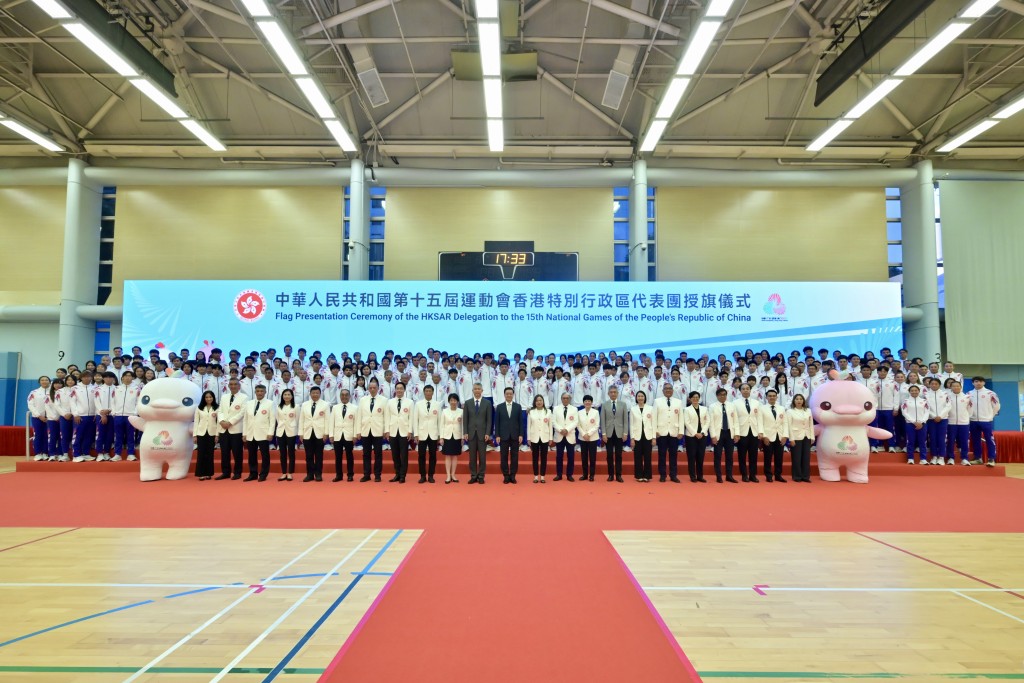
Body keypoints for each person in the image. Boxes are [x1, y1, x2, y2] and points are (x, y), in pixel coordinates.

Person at [732, 383, 763, 482]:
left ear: (750, 390)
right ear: (740, 391)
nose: (745, 390)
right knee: (742, 456)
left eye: (747, 389)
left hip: (754, 432)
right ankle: (744, 475)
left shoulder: (756, 403)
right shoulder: (735, 403)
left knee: (753, 456)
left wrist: (760, 431)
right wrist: (736, 433)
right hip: (742, 432)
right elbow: (734, 419)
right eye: (743, 389)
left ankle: (753, 475)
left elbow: (760, 418)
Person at [243, 384, 275, 481]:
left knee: (265, 455)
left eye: (262, 391)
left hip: (264, 433)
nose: (260, 393)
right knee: (251, 455)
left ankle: (263, 474)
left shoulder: (270, 403)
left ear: (265, 392)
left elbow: (272, 420)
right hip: (250, 433)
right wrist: (244, 433)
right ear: (255, 392)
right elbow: (245, 419)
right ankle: (253, 473)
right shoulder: (249, 403)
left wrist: (270, 433)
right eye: (258, 391)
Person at [357, 378, 386, 482]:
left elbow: (385, 417)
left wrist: (385, 430)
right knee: (366, 454)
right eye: (370, 388)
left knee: (378, 453)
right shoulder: (363, 400)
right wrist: (358, 431)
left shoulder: (384, 400)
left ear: (378, 388)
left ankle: (377, 475)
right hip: (365, 430)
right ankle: (366, 474)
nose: (372, 389)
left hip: (378, 430)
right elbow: (359, 415)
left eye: (374, 388)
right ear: (368, 389)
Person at [653, 383, 684, 483]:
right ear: (662, 391)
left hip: (674, 432)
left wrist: (681, 431)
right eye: (666, 389)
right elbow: (654, 417)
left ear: (673, 390)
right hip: (661, 432)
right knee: (661, 454)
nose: (668, 390)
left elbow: (681, 418)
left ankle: (673, 475)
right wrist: (655, 431)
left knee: (673, 455)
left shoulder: (678, 402)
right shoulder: (657, 401)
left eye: (670, 388)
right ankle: (662, 475)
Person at [708, 387, 739, 483]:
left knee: (729, 456)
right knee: (717, 456)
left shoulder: (731, 405)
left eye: (724, 394)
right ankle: (719, 476)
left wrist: (737, 434)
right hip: (718, 433)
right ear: (717, 396)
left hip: (729, 433)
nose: (723, 396)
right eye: (720, 395)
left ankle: (729, 475)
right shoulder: (712, 406)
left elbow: (736, 420)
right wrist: (713, 436)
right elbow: (711, 422)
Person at [216, 378, 246, 479]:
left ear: (239, 386)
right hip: (223, 428)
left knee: (237, 453)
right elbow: (220, 410)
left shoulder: (244, 397)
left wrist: (230, 422)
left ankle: (237, 472)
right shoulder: (224, 397)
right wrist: (221, 421)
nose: (233, 386)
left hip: (236, 429)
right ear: (228, 386)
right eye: (231, 384)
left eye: (235, 384)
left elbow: (242, 413)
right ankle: (225, 472)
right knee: (224, 452)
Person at [463, 383, 492, 484]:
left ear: (482, 390)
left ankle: (481, 475)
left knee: (482, 456)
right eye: (475, 389)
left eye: (479, 389)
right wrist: (465, 432)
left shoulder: (487, 403)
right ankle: (473, 475)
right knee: (472, 457)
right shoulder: (468, 403)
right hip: (471, 433)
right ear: (472, 391)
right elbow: (465, 419)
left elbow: (489, 420)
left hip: (482, 433)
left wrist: (488, 433)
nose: (477, 390)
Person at [967, 376, 1000, 467]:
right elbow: (967, 407)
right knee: (975, 440)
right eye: (976, 381)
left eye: (981, 381)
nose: (978, 383)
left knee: (989, 439)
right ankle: (978, 458)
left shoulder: (990, 393)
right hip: (973, 420)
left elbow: (997, 406)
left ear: (984, 383)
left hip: (986, 420)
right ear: (973, 383)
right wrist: (969, 417)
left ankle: (991, 459)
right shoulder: (969, 394)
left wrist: (990, 417)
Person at [384, 382, 413, 483]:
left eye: (401, 388)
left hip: (404, 431)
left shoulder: (409, 402)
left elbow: (411, 418)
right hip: (392, 431)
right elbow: (387, 417)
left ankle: (402, 475)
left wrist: (410, 431)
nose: (399, 390)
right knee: (395, 454)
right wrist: (387, 431)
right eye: (397, 388)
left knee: (404, 455)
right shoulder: (390, 402)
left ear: (404, 390)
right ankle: (397, 473)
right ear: (395, 390)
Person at [412, 385, 441, 483]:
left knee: (433, 455)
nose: (428, 393)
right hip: (421, 433)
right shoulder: (418, 404)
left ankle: (431, 475)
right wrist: (416, 434)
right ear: (424, 392)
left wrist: (440, 435)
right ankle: (423, 476)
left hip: (433, 433)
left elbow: (439, 420)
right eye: (426, 391)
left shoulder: (437, 404)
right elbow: (415, 420)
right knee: (421, 456)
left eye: (430, 391)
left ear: (433, 392)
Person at [299, 386, 328, 482]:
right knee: (309, 456)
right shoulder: (304, 405)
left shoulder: (325, 405)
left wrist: (326, 433)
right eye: (313, 393)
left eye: (317, 393)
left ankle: (318, 474)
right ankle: (310, 474)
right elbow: (301, 420)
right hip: (307, 432)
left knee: (319, 455)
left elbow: (327, 420)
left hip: (320, 433)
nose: (315, 395)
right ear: (310, 394)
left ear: (320, 394)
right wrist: (301, 433)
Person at [495, 386, 523, 484]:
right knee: (504, 456)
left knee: (515, 457)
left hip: (515, 435)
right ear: (504, 395)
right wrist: (497, 435)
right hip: (503, 435)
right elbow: (497, 422)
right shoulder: (499, 407)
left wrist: (521, 434)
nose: (509, 395)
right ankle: (506, 475)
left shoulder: (518, 406)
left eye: (511, 394)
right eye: (507, 394)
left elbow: (521, 422)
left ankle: (513, 475)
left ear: (513, 395)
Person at [600, 385, 627, 483]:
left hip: (620, 433)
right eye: (611, 392)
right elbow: (602, 420)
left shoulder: (623, 404)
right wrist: (603, 434)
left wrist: (625, 433)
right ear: (608, 393)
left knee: (619, 455)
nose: (613, 394)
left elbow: (625, 420)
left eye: (615, 392)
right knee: (609, 455)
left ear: (617, 393)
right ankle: (611, 475)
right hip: (608, 433)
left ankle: (619, 475)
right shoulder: (604, 404)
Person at [329, 388, 357, 482]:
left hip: (349, 435)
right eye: (342, 395)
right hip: (337, 435)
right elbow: (331, 422)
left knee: (349, 456)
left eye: (346, 395)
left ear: (349, 396)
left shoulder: (354, 408)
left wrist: (355, 435)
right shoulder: (335, 407)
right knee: (338, 457)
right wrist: (331, 435)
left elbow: (356, 423)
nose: (344, 397)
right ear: (340, 396)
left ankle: (350, 475)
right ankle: (339, 475)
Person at [111, 370, 140, 462]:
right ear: (122, 378)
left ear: (132, 378)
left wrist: (135, 413)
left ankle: (131, 454)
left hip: (131, 416)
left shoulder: (136, 389)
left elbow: (138, 402)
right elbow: (112, 401)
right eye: (126, 376)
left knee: (130, 435)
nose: (127, 377)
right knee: (118, 436)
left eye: (129, 376)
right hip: (118, 415)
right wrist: (114, 412)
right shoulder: (116, 388)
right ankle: (117, 454)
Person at [761, 390, 788, 482]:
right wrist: (764, 436)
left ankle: (778, 475)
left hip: (780, 436)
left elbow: (785, 423)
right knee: (767, 457)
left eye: (774, 396)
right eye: (770, 396)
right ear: (766, 397)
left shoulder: (781, 408)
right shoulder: (762, 408)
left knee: (779, 457)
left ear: (776, 397)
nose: (772, 397)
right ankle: (768, 475)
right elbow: (760, 423)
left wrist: (785, 436)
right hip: (768, 436)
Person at [682, 390, 709, 483]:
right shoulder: (686, 409)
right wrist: (695, 433)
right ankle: (692, 476)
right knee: (691, 456)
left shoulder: (704, 409)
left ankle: (700, 476)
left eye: (697, 397)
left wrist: (702, 432)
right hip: (691, 436)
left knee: (700, 456)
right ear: (690, 399)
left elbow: (707, 421)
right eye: (693, 397)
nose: (695, 399)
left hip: (702, 435)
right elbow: (686, 422)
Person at [193, 390, 220, 480]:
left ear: (213, 398)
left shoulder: (217, 408)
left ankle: (209, 473)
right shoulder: (199, 408)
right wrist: (194, 435)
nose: (208, 399)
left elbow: (219, 422)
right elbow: (196, 422)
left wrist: (217, 435)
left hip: (212, 433)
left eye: (210, 397)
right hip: (201, 433)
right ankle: (200, 473)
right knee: (201, 454)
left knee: (210, 454)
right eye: (207, 397)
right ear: (204, 398)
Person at [551, 392, 578, 481]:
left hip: (570, 435)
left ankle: (569, 475)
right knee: (559, 456)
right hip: (559, 435)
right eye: (564, 398)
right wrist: (560, 430)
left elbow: (575, 422)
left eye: (567, 398)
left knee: (571, 456)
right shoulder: (556, 409)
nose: (565, 400)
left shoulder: (574, 409)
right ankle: (559, 474)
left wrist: (567, 430)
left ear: (570, 399)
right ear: (561, 399)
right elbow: (553, 421)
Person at [70, 371, 97, 462]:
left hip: (92, 416)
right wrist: (76, 414)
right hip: (80, 416)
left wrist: (96, 413)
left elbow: (98, 402)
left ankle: (86, 453)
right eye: (84, 377)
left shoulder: (95, 388)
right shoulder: (75, 388)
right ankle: (76, 454)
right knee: (78, 435)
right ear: (81, 378)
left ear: (91, 378)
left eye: (89, 377)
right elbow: (72, 402)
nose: (87, 378)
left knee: (89, 435)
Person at [786, 393, 813, 482]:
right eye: (797, 399)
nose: (799, 401)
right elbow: (789, 426)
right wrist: (791, 438)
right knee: (796, 458)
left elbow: (811, 424)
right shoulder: (790, 411)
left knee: (806, 458)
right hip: (796, 436)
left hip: (807, 435)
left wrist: (812, 436)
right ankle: (797, 476)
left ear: (803, 401)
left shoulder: (808, 410)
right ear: (794, 401)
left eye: (801, 399)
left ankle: (805, 477)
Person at [924, 377, 951, 465]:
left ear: (939, 385)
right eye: (932, 384)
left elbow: (948, 406)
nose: (934, 385)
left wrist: (940, 416)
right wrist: (933, 416)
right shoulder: (926, 395)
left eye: (936, 384)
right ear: (929, 385)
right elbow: (925, 407)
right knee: (932, 438)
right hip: (931, 419)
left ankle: (941, 457)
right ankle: (934, 456)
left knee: (942, 438)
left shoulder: (945, 394)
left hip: (943, 419)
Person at [902, 384, 930, 465]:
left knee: (922, 442)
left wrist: (921, 422)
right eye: (912, 391)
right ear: (909, 392)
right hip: (910, 424)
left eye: (916, 390)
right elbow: (904, 412)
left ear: (919, 391)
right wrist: (914, 422)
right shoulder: (905, 401)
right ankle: (910, 458)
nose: (914, 392)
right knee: (910, 441)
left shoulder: (924, 401)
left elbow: (927, 412)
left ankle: (923, 459)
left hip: (922, 424)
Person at [630, 390, 655, 482]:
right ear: (636, 398)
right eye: (639, 396)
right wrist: (632, 438)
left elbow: (653, 423)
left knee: (648, 457)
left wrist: (653, 437)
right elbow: (631, 425)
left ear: (645, 398)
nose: (640, 398)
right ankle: (639, 475)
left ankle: (647, 476)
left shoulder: (650, 408)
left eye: (642, 396)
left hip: (648, 436)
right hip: (637, 436)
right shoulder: (633, 409)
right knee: (637, 457)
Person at [527, 394, 553, 483]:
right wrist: (529, 438)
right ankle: (535, 476)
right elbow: (528, 426)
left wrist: (550, 438)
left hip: (545, 437)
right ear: (535, 402)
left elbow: (550, 426)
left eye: (540, 400)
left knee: (544, 457)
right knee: (535, 457)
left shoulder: (548, 412)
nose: (539, 402)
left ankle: (542, 476)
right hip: (534, 437)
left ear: (543, 402)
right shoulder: (531, 412)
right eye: (537, 400)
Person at [947, 381, 972, 466]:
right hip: (951, 422)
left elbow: (970, 409)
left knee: (964, 441)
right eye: (954, 386)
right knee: (950, 441)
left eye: (958, 386)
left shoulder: (967, 397)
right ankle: (950, 458)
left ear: (961, 387)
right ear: (951, 387)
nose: (956, 387)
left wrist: (966, 418)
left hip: (964, 423)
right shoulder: (947, 397)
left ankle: (964, 458)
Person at [276, 389, 299, 481]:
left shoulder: (296, 406)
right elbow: (277, 419)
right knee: (282, 453)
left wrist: (293, 427)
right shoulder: (278, 406)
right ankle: (284, 473)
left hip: (291, 431)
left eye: (289, 394)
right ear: (282, 396)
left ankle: (290, 473)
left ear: (292, 396)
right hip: (281, 431)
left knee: (291, 453)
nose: (287, 396)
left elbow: (297, 419)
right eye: (285, 394)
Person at [440, 393, 463, 484]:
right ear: (449, 401)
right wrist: (441, 437)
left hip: (457, 435)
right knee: (448, 456)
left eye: (455, 400)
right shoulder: (444, 411)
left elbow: (463, 425)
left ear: (457, 401)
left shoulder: (461, 411)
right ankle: (448, 476)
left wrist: (462, 437)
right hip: (447, 435)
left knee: (455, 456)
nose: (453, 402)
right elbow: (442, 425)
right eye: (451, 400)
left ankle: (453, 474)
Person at [93, 371, 117, 461]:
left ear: (113, 379)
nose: (108, 379)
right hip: (101, 415)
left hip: (113, 414)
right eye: (106, 377)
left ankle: (106, 452)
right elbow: (97, 402)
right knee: (100, 434)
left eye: (110, 377)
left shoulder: (117, 389)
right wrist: (102, 414)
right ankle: (99, 453)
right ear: (103, 378)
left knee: (110, 435)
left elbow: (117, 402)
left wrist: (110, 410)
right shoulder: (98, 389)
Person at [577, 394, 600, 482]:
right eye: (586, 401)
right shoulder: (579, 412)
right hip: (583, 438)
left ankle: (592, 475)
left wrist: (589, 434)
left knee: (592, 457)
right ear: (583, 402)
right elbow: (578, 425)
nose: (587, 402)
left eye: (589, 401)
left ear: (591, 402)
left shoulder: (595, 412)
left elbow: (597, 425)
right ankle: (585, 474)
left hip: (593, 438)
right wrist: (584, 434)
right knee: (584, 457)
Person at [28, 376, 50, 461]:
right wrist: (39, 415)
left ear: (49, 381)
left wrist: (49, 416)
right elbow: (30, 405)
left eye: (46, 380)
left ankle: (45, 452)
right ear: (39, 382)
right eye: (42, 380)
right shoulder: (34, 392)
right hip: (37, 418)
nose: (44, 381)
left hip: (50, 418)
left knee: (47, 435)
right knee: (38, 435)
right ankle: (38, 453)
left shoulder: (53, 392)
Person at [45, 379, 64, 461]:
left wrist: (61, 415)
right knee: (52, 437)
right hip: (52, 419)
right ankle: (52, 454)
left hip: (63, 418)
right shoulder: (48, 395)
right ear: (53, 385)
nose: (58, 385)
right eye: (56, 383)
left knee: (61, 437)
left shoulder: (65, 394)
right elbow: (47, 407)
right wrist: (53, 417)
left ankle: (60, 453)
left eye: (60, 384)